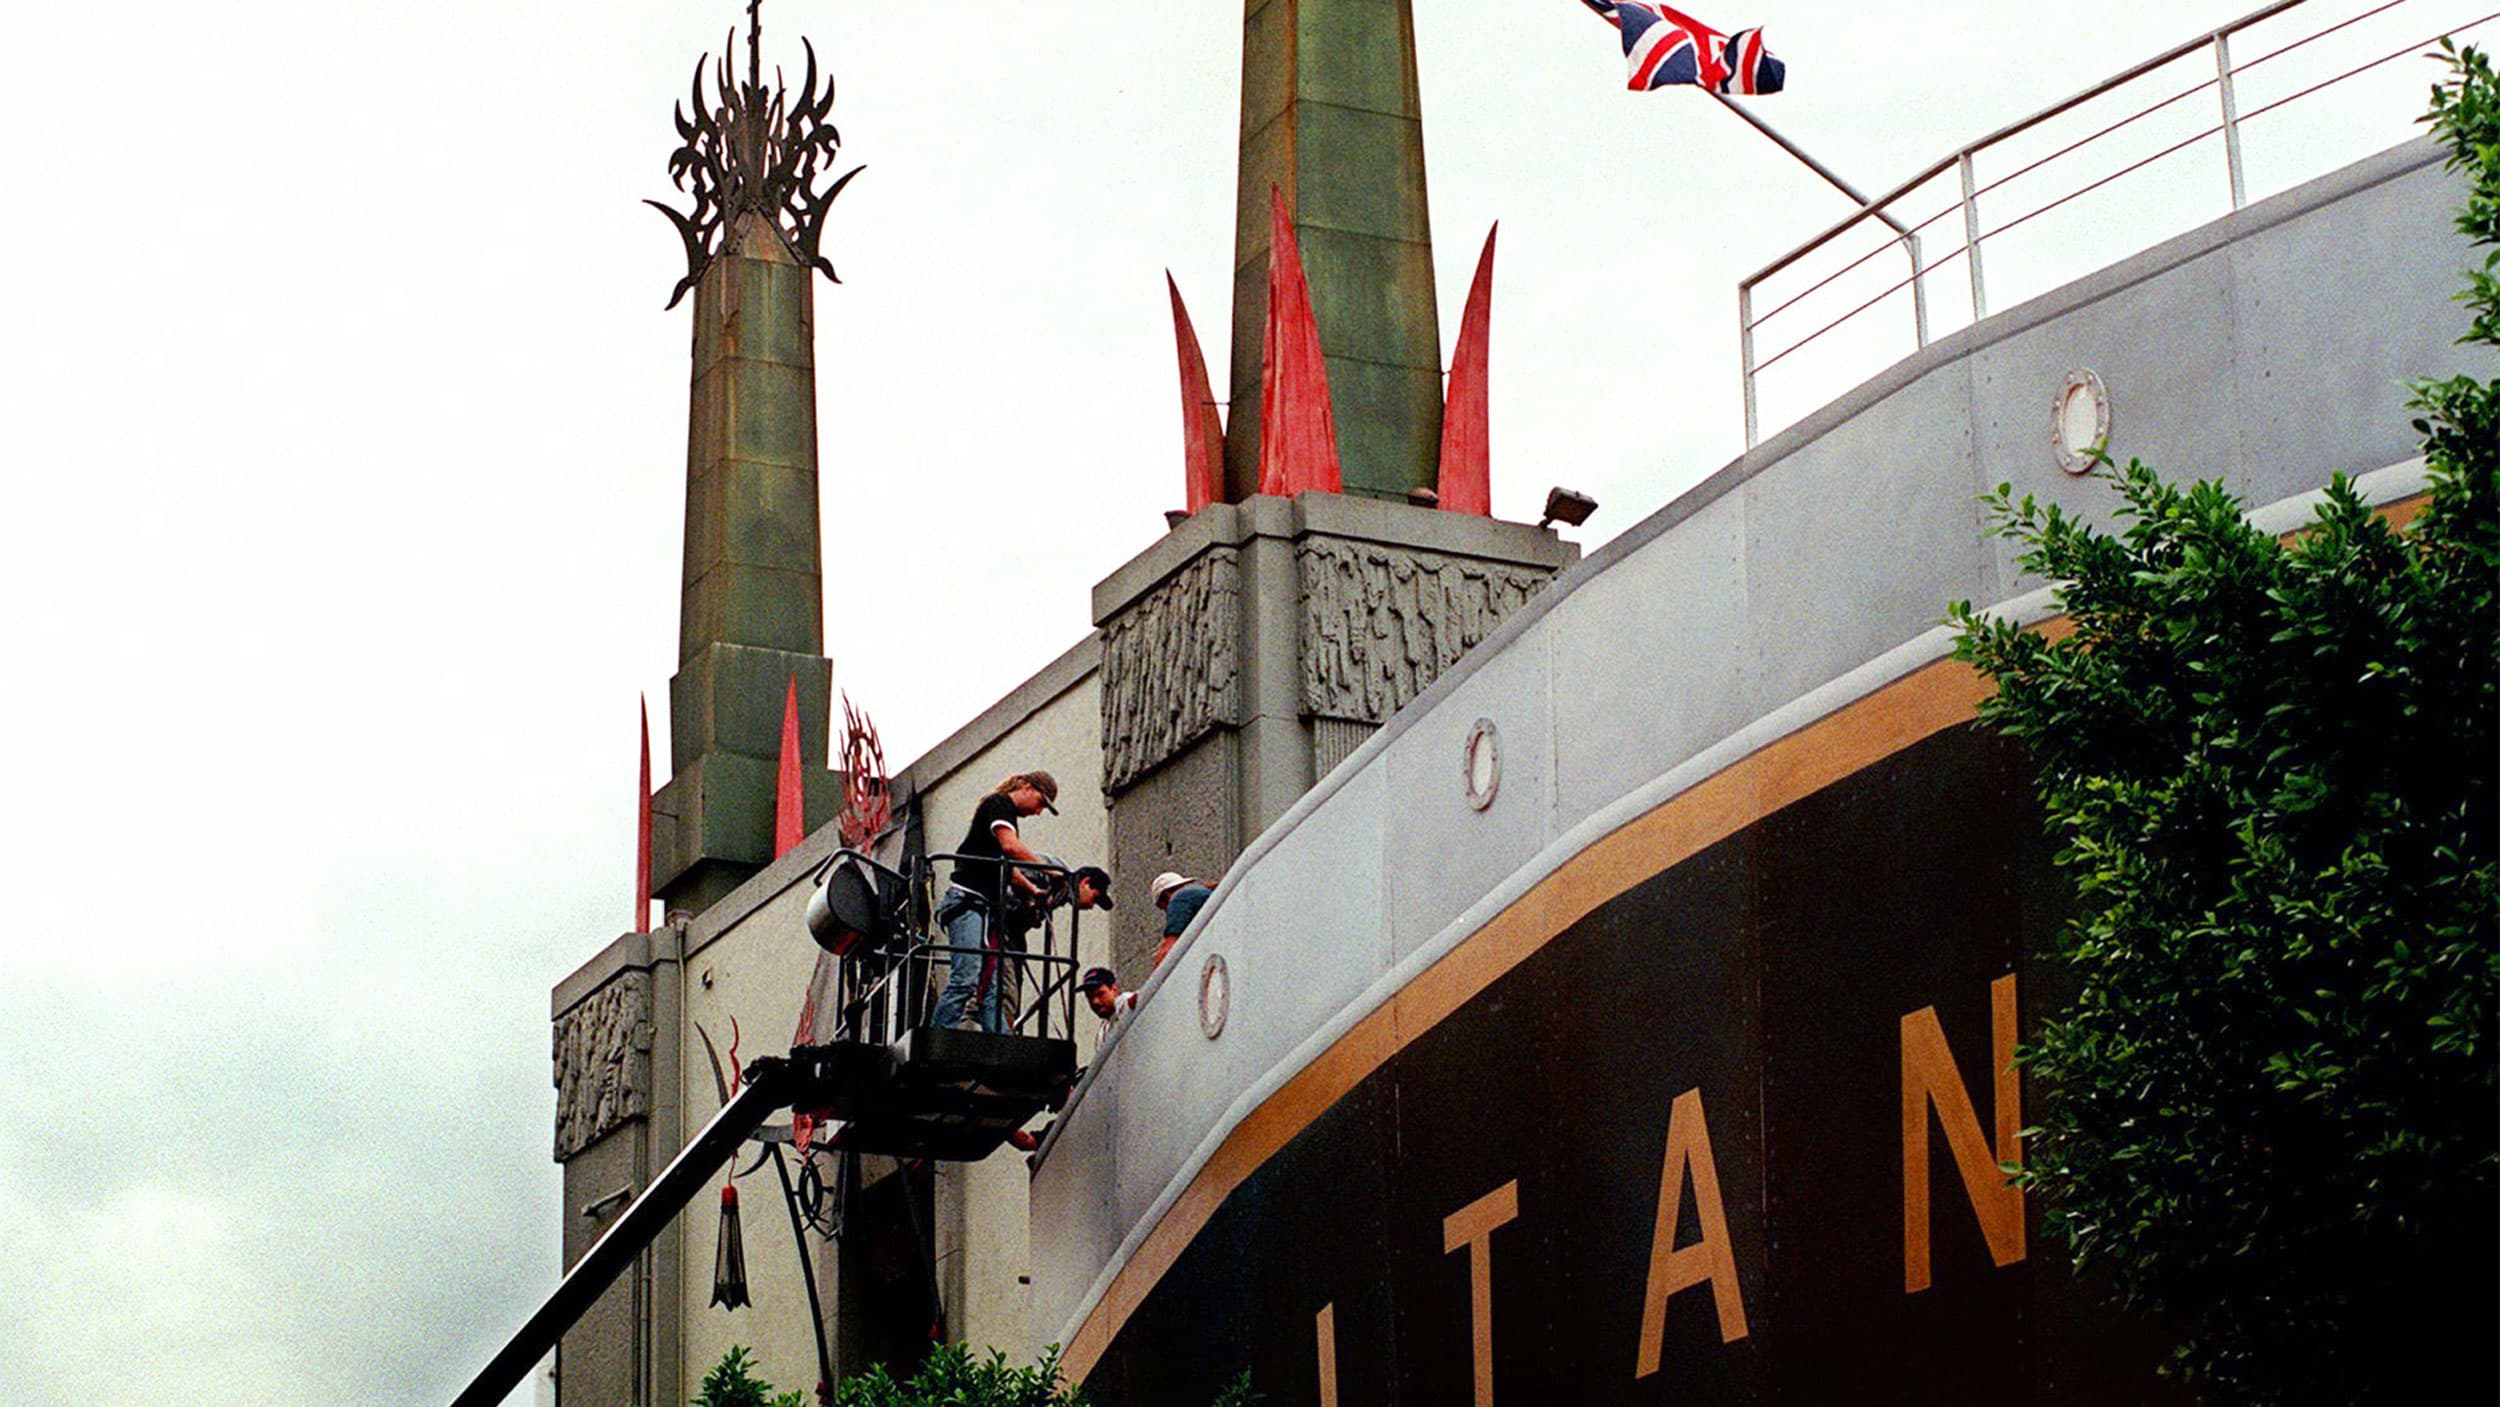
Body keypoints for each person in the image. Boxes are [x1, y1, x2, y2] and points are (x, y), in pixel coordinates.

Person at [931, 772, 1058, 1032]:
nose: (1038, 811)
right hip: (968, 901)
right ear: (1025, 787)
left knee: (991, 988)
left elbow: (1007, 869)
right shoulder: (1000, 804)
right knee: (966, 977)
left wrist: (1033, 890)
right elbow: (1010, 847)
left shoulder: (1001, 812)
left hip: (983, 909)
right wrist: (1048, 869)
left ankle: (999, 1040)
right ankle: (938, 1034)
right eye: (1041, 802)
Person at [1149, 871, 1216, 969]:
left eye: (1164, 908)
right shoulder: (1200, 894)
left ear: (1165, 898)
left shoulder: (1179, 898)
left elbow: (1169, 947)